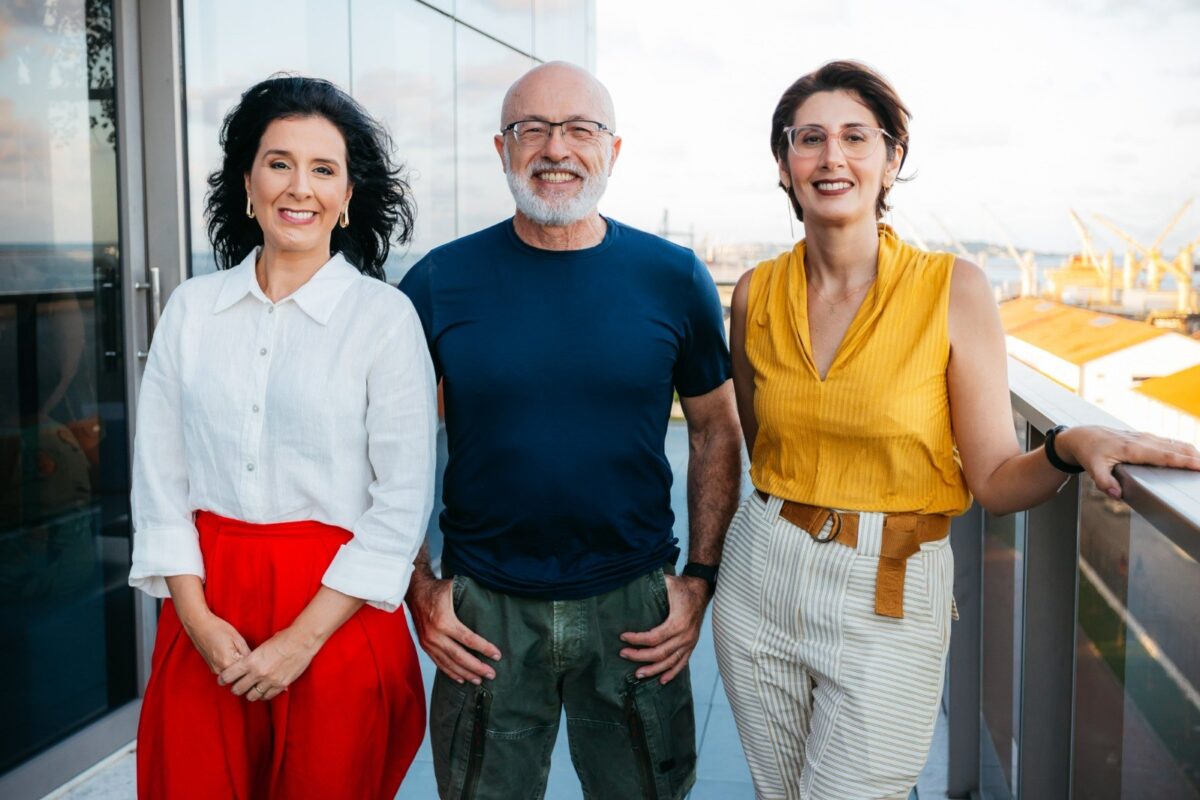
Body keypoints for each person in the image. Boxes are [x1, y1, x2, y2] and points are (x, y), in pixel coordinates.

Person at [711, 59, 1200, 800]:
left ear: (891, 159)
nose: (831, 157)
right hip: (761, 573)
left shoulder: (952, 289)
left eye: (855, 137)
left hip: (889, 586)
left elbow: (997, 481)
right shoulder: (756, 292)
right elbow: (766, 448)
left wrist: (1066, 445)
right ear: (783, 163)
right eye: (809, 139)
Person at [399, 61, 742, 800]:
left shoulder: (673, 278)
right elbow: (384, 447)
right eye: (533, 129)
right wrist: (417, 585)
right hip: (483, 613)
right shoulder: (438, 282)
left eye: (580, 129)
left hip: (634, 611)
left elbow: (716, 431)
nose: (556, 148)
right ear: (502, 149)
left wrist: (700, 583)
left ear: (613, 151)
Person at [128, 76, 435, 799]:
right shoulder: (190, 309)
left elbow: (400, 505)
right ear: (247, 183)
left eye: (324, 169)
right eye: (279, 162)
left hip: (336, 614)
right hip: (207, 604)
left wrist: (300, 643)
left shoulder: (384, 320)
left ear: (348, 196)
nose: (300, 188)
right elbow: (159, 479)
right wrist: (196, 620)